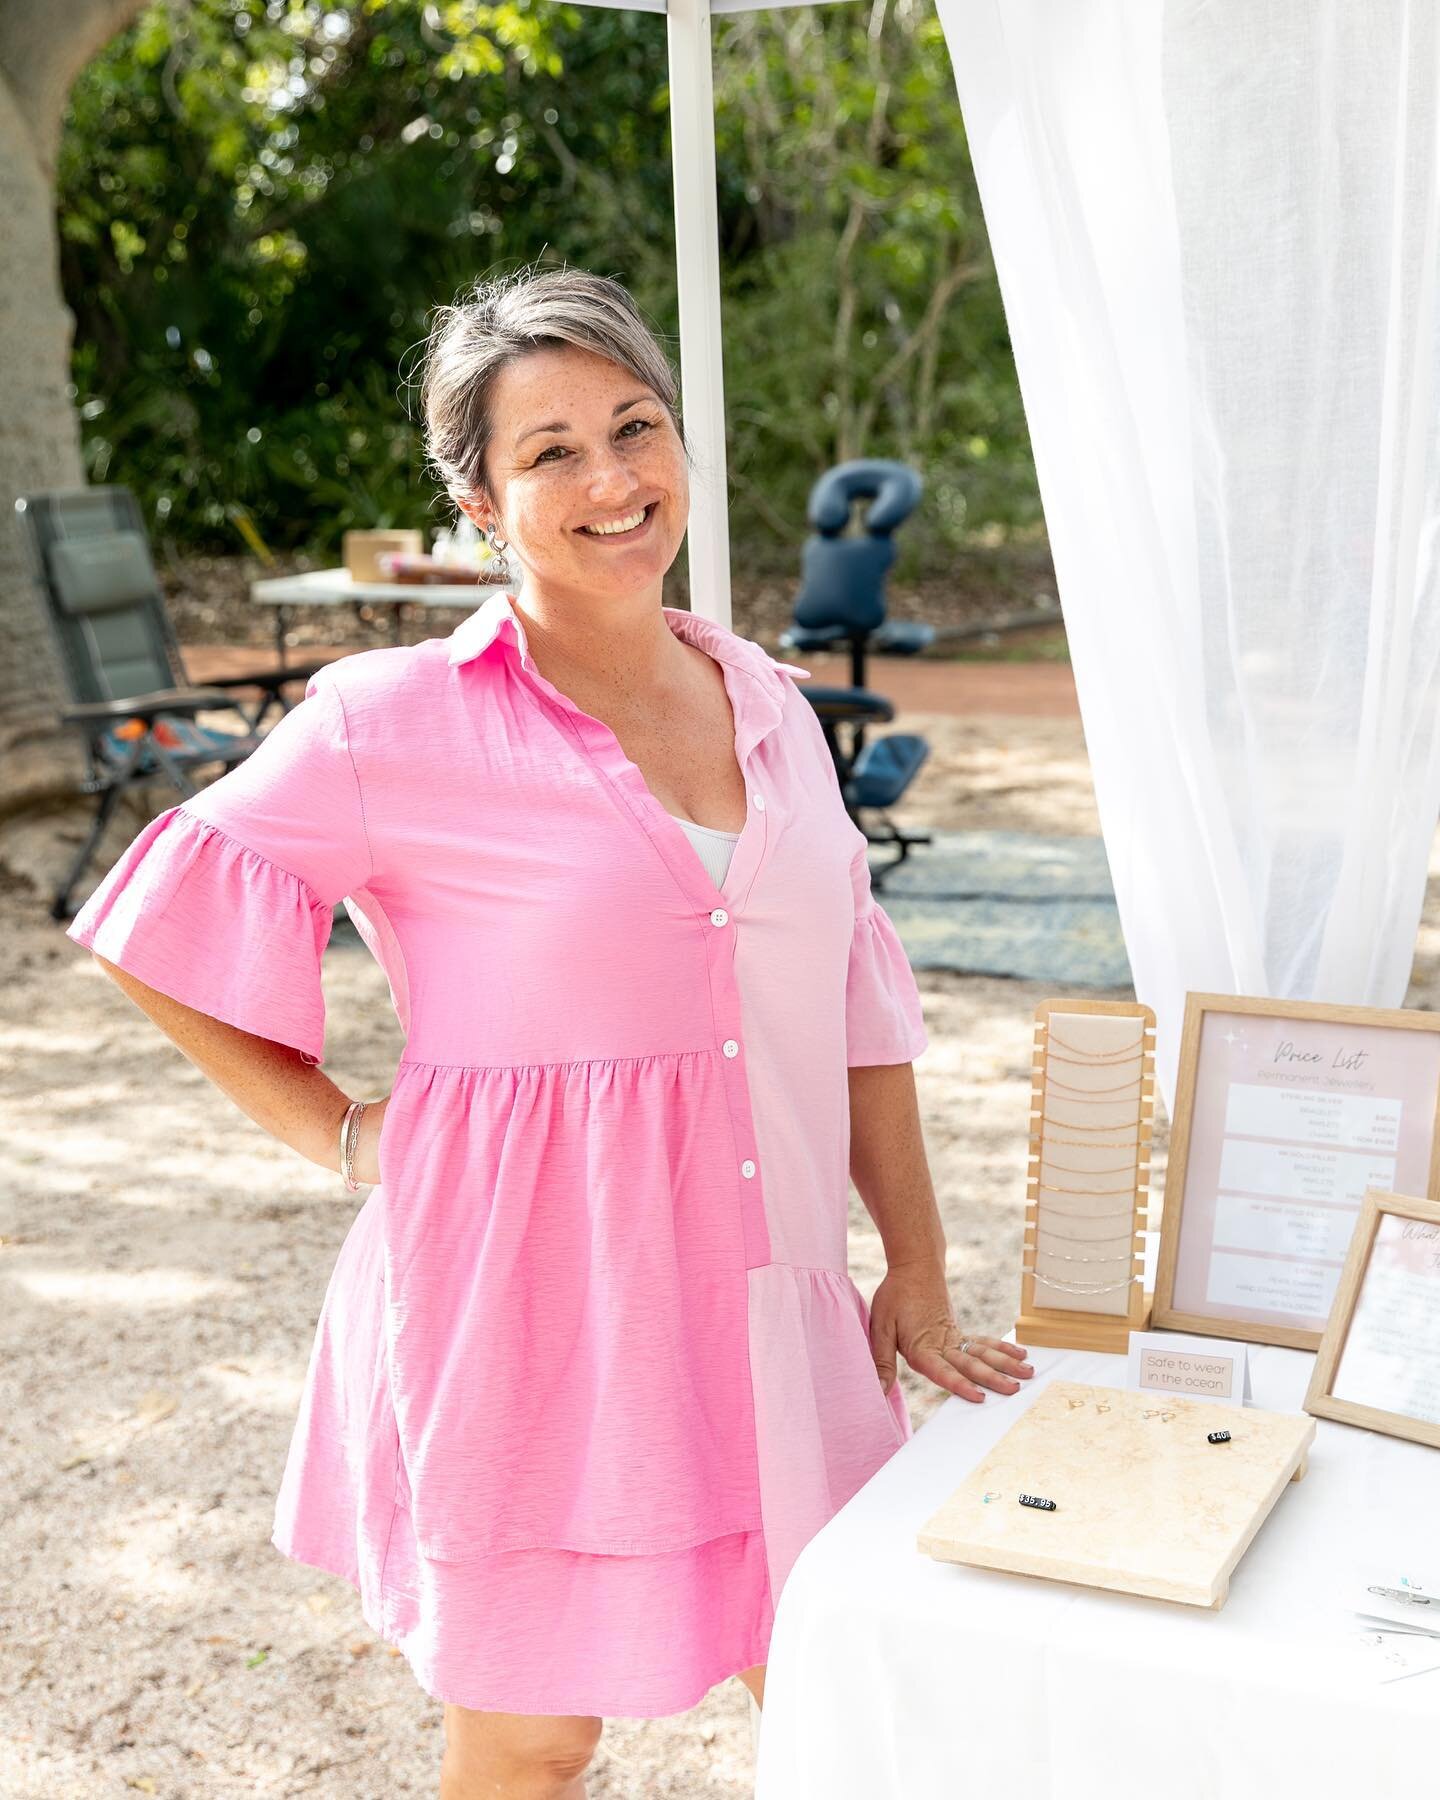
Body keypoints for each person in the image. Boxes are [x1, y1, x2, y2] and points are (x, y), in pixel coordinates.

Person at [65, 263, 1032, 1799]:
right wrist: (344, 1131)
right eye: (551, 452)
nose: (611, 479)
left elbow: (856, 993)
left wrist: (913, 1262)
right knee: (530, 1752)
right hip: (532, 1320)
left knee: (850, 1710)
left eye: (634, 427)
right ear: (476, 501)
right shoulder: (392, 722)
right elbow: (155, 918)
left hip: (774, 1307)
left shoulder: (772, 705)